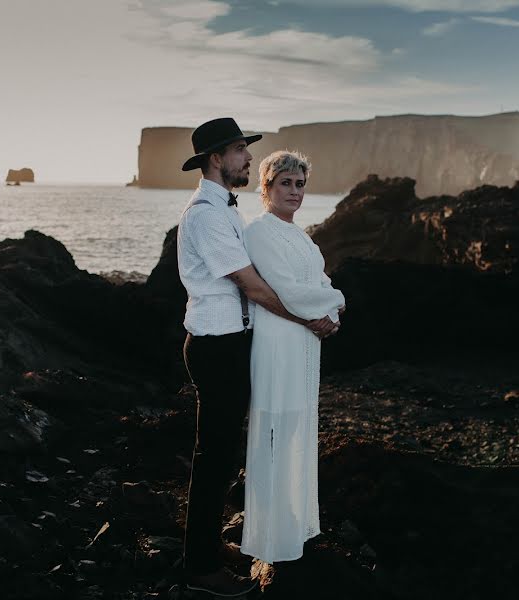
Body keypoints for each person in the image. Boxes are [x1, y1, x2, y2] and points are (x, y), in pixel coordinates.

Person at [177, 119, 337, 597]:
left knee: (222, 456)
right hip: (215, 346)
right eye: (240, 150)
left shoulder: (225, 210)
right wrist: (309, 317)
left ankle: (204, 547)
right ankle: (200, 566)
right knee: (214, 459)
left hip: (231, 343)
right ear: (215, 158)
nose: (247, 159)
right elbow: (252, 286)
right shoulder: (205, 214)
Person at [241, 150, 345, 565]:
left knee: (297, 426)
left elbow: (319, 280)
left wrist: (329, 312)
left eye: (300, 184)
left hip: (304, 341)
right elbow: (287, 290)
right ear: (266, 187)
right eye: (286, 183)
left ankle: (291, 525)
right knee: (275, 432)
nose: (295, 192)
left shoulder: (301, 235)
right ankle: (269, 538)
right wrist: (334, 302)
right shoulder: (260, 232)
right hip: (279, 339)